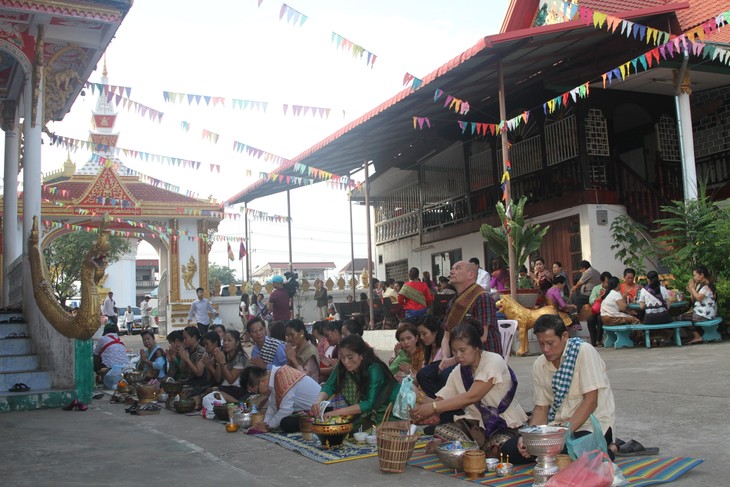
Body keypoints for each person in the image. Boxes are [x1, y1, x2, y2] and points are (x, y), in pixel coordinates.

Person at [501, 315, 616, 464]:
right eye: (541, 344)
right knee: (510, 449)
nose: (545, 349)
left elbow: (591, 402)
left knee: (560, 454)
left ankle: (609, 450)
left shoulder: (584, 351)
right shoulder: (539, 365)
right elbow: (541, 409)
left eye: (550, 343)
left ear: (564, 336)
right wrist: (529, 437)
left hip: (591, 427)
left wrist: (562, 436)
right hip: (556, 428)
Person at [412, 322, 527, 456]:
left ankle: (472, 450)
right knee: (442, 431)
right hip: (477, 425)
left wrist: (433, 407)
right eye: (454, 351)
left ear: (476, 347)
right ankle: (472, 450)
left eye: (463, 350)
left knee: (503, 449)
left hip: (506, 423)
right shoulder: (459, 370)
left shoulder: (494, 361)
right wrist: (417, 397)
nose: (458, 356)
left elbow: (473, 396)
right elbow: (440, 401)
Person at [311, 334, 400, 432]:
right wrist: (318, 401)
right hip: (363, 408)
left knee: (364, 431)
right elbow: (329, 385)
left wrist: (337, 413)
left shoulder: (374, 369)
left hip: (387, 406)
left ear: (361, 355)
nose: (346, 362)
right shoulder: (342, 366)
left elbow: (369, 403)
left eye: (350, 357)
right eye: (343, 357)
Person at [440, 261, 502, 373]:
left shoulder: (482, 298)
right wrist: (445, 357)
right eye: (452, 268)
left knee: (441, 376)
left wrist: (454, 359)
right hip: (459, 357)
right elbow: (446, 336)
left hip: (482, 358)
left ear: (471, 274)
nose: (451, 271)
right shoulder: (453, 302)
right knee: (425, 375)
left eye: (457, 268)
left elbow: (482, 337)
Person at [244, 365, 321, 432]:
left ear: (262, 382)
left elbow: (286, 410)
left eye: (258, 391)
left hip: (320, 410)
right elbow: (273, 406)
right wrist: (265, 423)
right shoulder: (276, 376)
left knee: (285, 423)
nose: (260, 394)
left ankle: (316, 424)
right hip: (308, 410)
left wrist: (268, 426)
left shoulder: (283, 377)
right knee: (280, 420)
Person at [208, 329, 249, 402]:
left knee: (216, 393)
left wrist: (223, 362)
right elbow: (218, 379)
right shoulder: (224, 354)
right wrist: (218, 362)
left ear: (237, 343)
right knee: (209, 391)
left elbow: (231, 380)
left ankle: (239, 404)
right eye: (224, 340)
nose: (226, 343)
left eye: (229, 340)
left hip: (239, 388)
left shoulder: (240, 357)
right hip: (226, 387)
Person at [167, 326, 209, 395]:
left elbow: (198, 373)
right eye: (183, 338)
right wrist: (176, 359)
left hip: (198, 382)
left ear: (194, 337)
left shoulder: (201, 351)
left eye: (186, 338)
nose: (184, 340)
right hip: (187, 380)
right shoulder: (187, 350)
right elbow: (182, 370)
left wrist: (187, 359)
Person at [415, 314, 448, 398]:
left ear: (435, 331)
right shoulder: (427, 351)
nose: (421, 337)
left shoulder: (444, 351)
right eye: (420, 334)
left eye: (424, 333)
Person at [684, 265, 718, 345]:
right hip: (699, 312)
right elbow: (693, 299)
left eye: (695, 275)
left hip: (705, 314)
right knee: (682, 317)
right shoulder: (700, 285)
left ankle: (697, 337)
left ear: (702, 275)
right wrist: (691, 290)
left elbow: (699, 298)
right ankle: (696, 336)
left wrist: (692, 289)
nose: (694, 277)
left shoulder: (707, 286)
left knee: (680, 318)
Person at [93, 323, 130, 388]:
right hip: (124, 366)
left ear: (106, 332)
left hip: (110, 367)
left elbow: (96, 353)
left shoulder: (103, 338)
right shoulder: (119, 339)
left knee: (94, 359)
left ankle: (98, 377)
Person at [587, 272, 612, 347]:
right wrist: (596, 299)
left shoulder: (611, 289)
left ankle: (598, 340)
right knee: (590, 319)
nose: (608, 284)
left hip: (607, 311)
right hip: (597, 310)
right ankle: (593, 340)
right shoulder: (596, 288)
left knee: (600, 318)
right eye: (607, 282)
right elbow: (591, 300)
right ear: (602, 282)